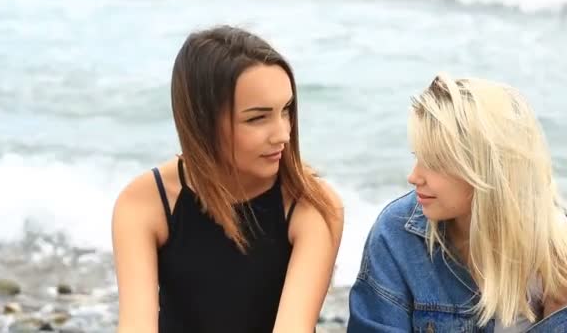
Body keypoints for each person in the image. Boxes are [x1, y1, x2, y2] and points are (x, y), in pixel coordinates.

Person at [112, 25, 343, 333]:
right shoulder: (144, 202)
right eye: (257, 118)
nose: (283, 134)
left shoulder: (312, 204)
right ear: (202, 122)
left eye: (286, 110)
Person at [347, 73, 567, 332]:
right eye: (418, 157)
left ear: (485, 169)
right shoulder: (397, 235)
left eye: (433, 163)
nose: (413, 176)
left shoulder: (555, 256)